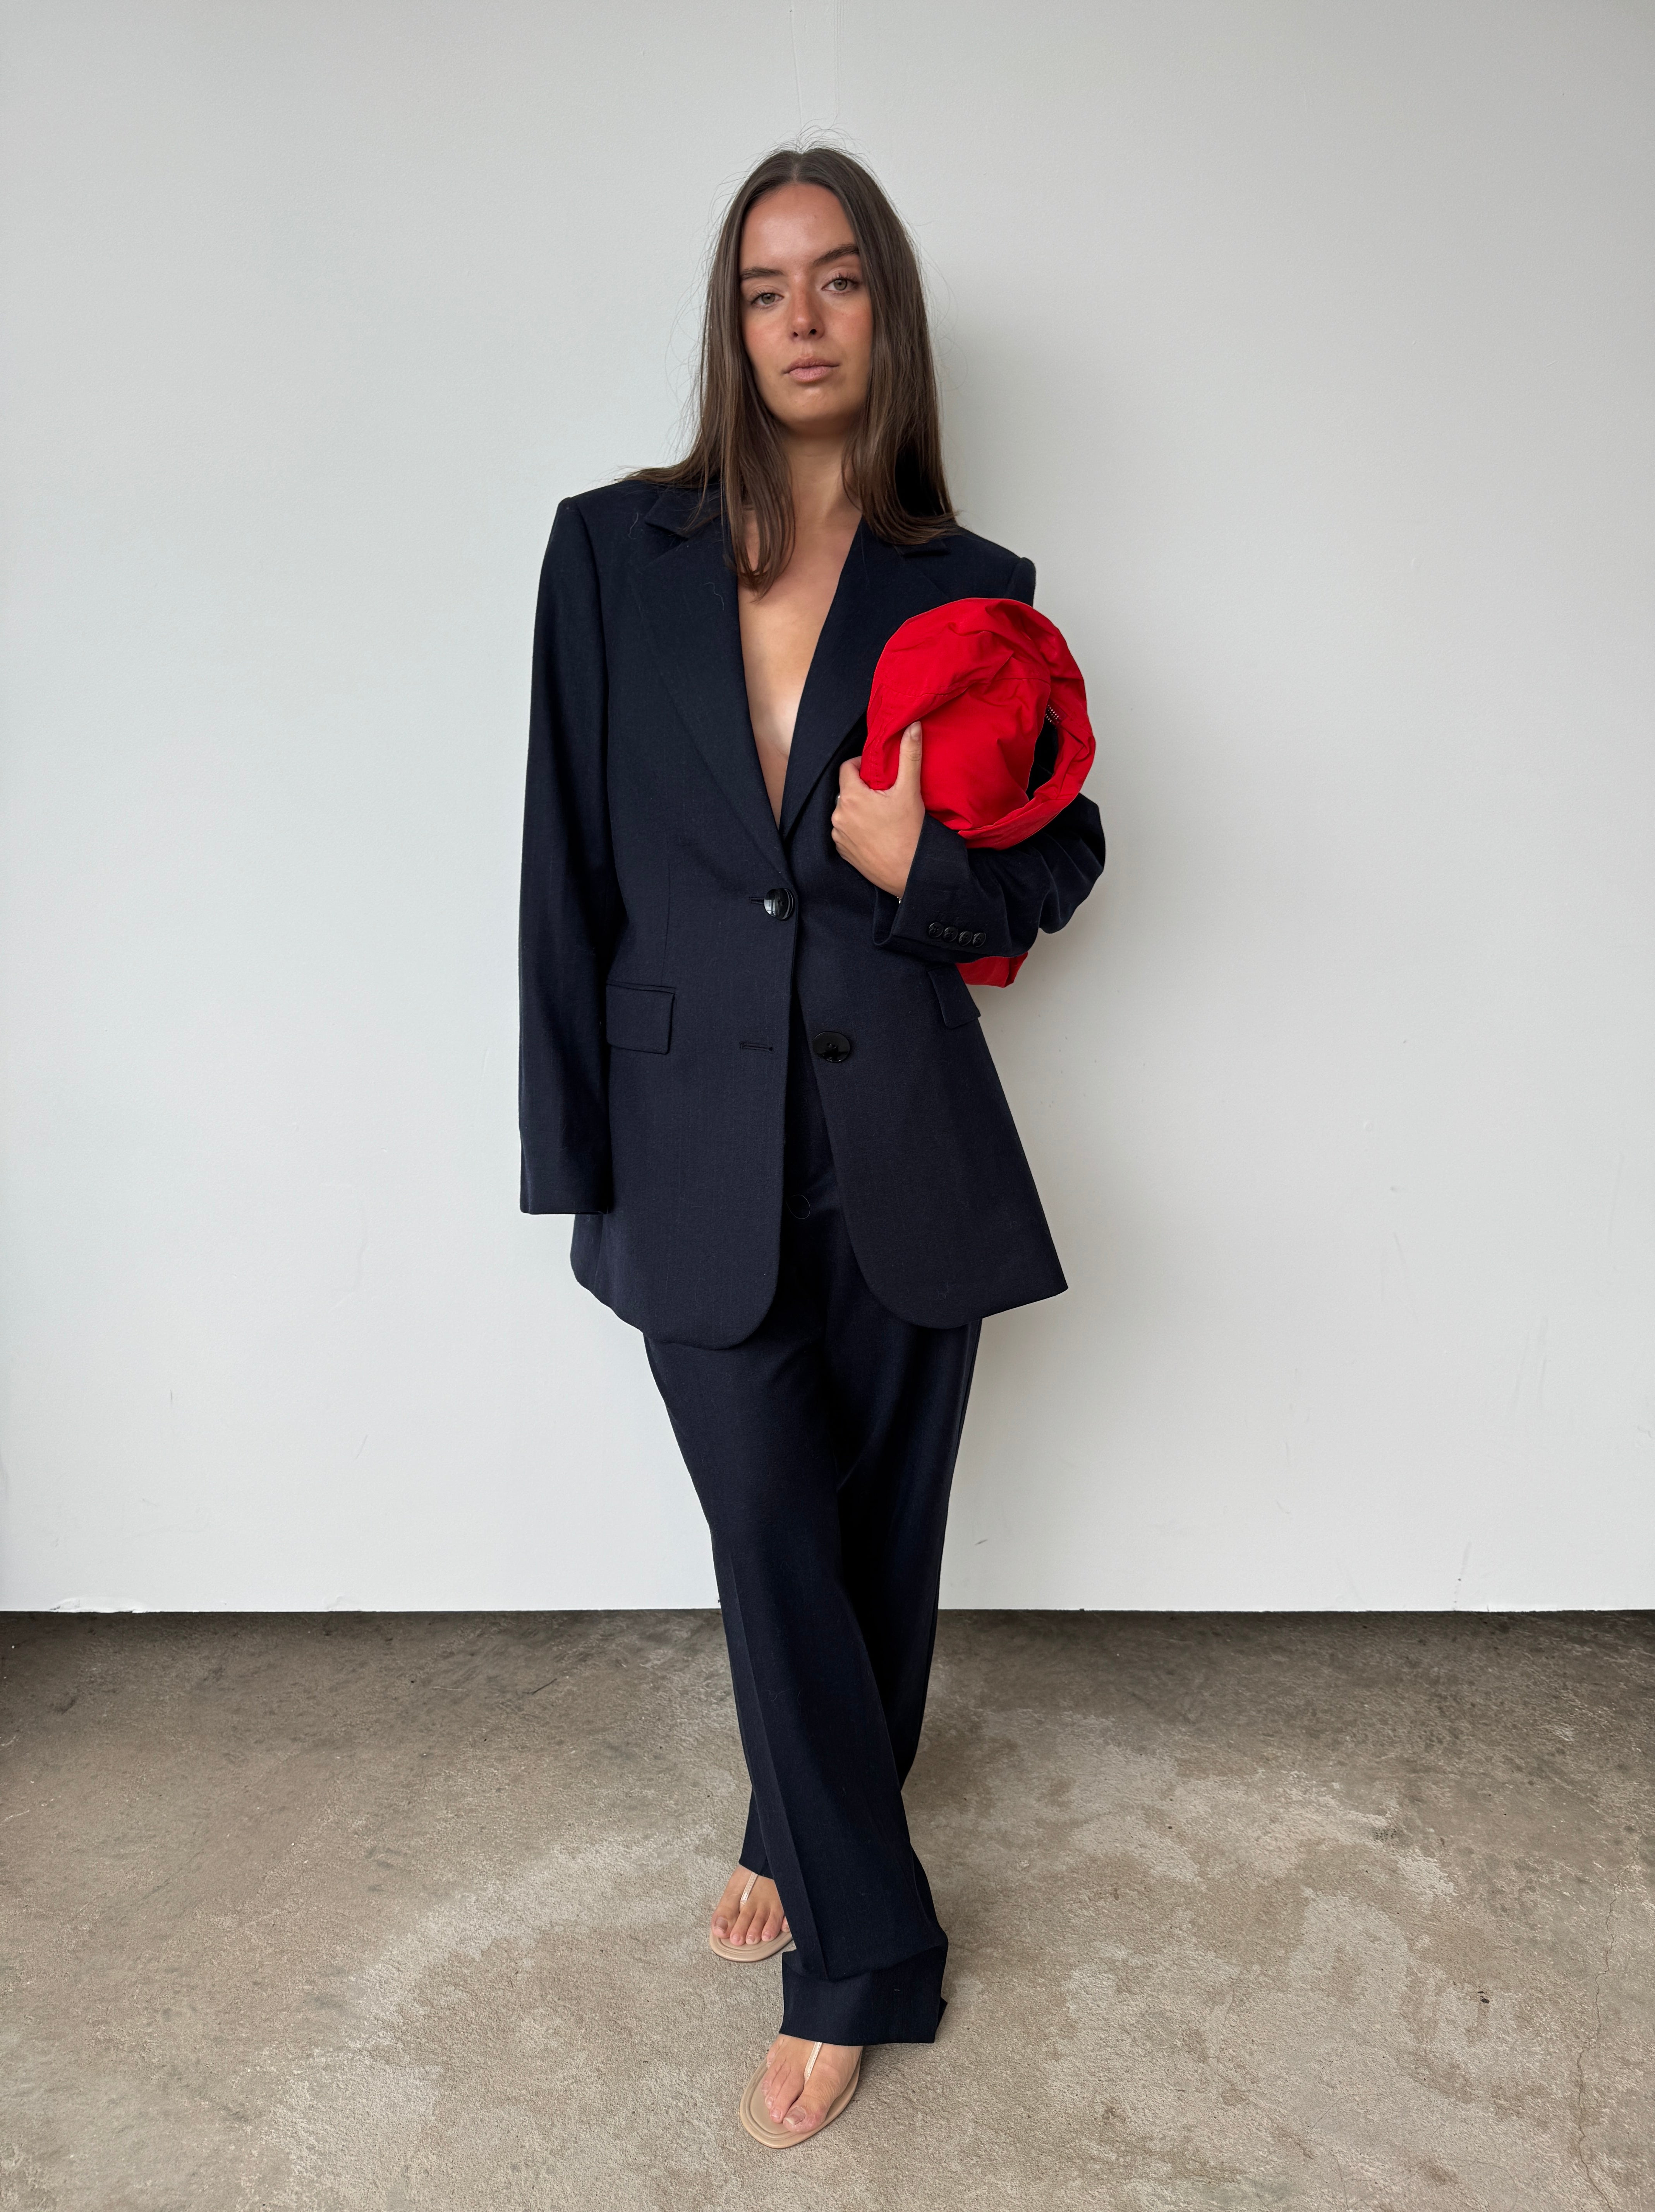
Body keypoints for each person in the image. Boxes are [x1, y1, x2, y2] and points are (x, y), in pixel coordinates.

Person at [518, 143, 1104, 2146]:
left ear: (885, 314)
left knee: (877, 1537)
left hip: (901, 1130)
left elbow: (1057, 869)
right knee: (765, 1520)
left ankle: (796, 1812)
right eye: (768, 285)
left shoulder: (973, 588)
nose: (802, 317)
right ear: (731, 319)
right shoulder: (609, 554)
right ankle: (866, 1956)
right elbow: (562, 863)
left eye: (839, 279)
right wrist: (573, 1150)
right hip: (688, 1130)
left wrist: (918, 861)